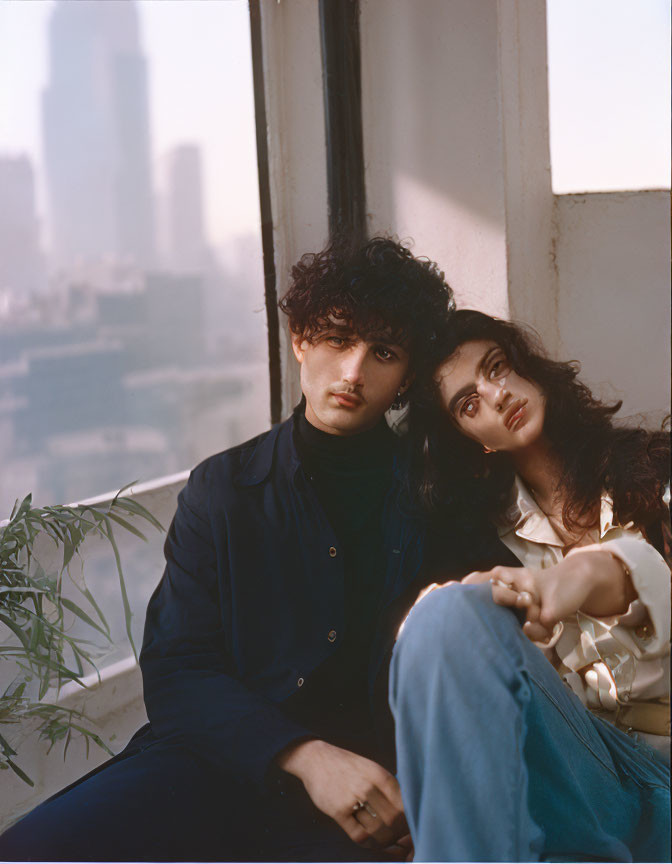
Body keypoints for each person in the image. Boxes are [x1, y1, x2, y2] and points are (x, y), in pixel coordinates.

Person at [0, 239, 509, 862]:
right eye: (337, 338)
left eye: (383, 352)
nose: (352, 372)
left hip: (371, 794)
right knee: (31, 849)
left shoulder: (434, 492)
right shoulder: (223, 489)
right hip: (221, 760)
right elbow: (176, 665)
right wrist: (306, 756)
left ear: (405, 376)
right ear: (300, 339)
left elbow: (493, 624)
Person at [391, 309, 670, 862]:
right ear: (469, 438)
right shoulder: (481, 541)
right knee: (447, 614)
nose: (495, 396)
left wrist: (578, 577)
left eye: (497, 368)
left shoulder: (653, 469)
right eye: (468, 404)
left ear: (528, 368)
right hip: (590, 776)